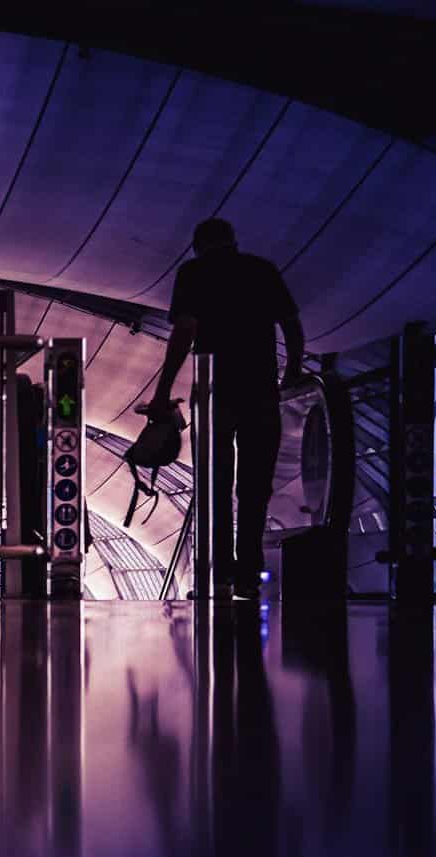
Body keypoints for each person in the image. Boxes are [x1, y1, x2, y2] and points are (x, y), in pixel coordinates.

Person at [143, 218, 305, 600]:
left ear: (197, 246)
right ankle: (249, 574)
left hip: (216, 389)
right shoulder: (261, 269)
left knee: (214, 482)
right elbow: (292, 325)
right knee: (255, 485)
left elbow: (185, 331)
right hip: (262, 388)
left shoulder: (194, 272)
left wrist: (163, 390)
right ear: (234, 240)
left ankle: (218, 574)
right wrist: (293, 371)